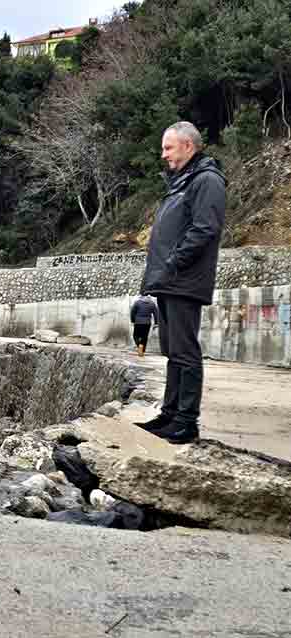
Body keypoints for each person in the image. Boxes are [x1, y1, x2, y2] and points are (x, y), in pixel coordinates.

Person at [135, 121, 226, 444]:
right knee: (174, 350)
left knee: (185, 351)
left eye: (168, 147)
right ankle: (170, 414)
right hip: (170, 280)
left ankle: (187, 421)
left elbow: (205, 229)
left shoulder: (206, 180)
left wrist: (172, 264)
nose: (163, 155)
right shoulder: (182, 181)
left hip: (184, 280)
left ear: (188, 146)